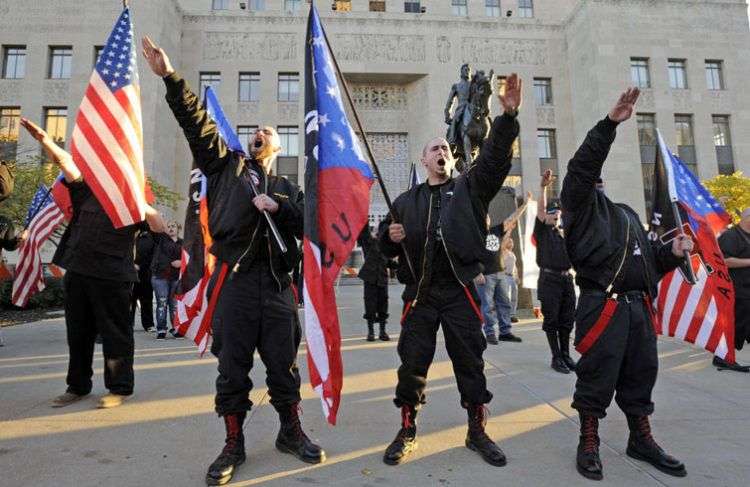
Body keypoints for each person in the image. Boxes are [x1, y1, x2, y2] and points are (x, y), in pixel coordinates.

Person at [142, 36, 325, 486]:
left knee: (284, 365)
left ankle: (290, 431)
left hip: (278, 285)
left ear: (279, 147)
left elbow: (308, 224)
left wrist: (279, 207)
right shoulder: (226, 165)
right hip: (236, 283)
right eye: (255, 131)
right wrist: (170, 77)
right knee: (232, 369)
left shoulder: (287, 188)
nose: (260, 134)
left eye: (268, 133)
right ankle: (233, 443)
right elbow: (196, 123)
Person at [378, 73, 522, 467]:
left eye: (445, 147)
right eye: (434, 148)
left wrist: (507, 118)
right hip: (421, 296)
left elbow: (493, 161)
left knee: (470, 364)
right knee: (412, 366)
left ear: (452, 158)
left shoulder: (469, 188)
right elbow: (380, 249)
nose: (441, 151)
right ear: (424, 160)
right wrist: (389, 238)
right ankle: (407, 429)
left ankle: (477, 430)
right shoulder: (405, 201)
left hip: (459, 290)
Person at [560, 88, 693, 481]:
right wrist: (610, 124)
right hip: (603, 309)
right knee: (596, 379)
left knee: (640, 377)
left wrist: (672, 254)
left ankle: (641, 438)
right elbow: (583, 167)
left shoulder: (626, 214)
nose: (596, 179)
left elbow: (649, 264)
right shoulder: (579, 208)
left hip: (638, 311)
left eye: (600, 177)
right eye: (591, 176)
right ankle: (589, 441)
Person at [19, 117, 165, 410]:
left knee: (116, 335)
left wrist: (142, 203)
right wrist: (46, 140)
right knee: (78, 334)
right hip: (78, 270)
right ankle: (77, 386)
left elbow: (159, 226)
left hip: (112, 275)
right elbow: (66, 164)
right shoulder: (86, 189)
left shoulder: (133, 198)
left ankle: (119, 388)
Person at [534, 169, 577, 374]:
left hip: (567, 279)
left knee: (567, 319)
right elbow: (540, 212)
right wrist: (543, 187)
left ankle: (566, 354)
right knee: (551, 320)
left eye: (557, 212)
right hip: (549, 279)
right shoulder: (543, 231)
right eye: (552, 212)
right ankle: (556, 356)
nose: (555, 214)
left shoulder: (567, 234)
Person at [478, 200, 528, 345]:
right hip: (485, 275)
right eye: (482, 217)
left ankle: (505, 332)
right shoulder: (475, 235)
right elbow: (469, 255)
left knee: (504, 303)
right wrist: (476, 273)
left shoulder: (495, 230)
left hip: (501, 273)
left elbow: (512, 219)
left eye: (487, 217)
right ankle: (490, 333)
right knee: (487, 306)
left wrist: (524, 206)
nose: (486, 219)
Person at [717, 207, 750, 372]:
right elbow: (724, 260)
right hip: (737, 290)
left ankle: (724, 356)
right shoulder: (730, 236)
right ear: (746, 218)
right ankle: (723, 357)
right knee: (736, 326)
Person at [357, 225, 397, 342]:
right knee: (370, 306)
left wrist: (401, 265)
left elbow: (388, 262)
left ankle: (382, 331)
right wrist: (363, 215)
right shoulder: (369, 243)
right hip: (370, 279)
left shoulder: (386, 248)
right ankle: (370, 332)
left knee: (383, 306)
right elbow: (364, 232)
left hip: (382, 280)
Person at [150, 220, 183, 339]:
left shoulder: (182, 243)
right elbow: (155, 229)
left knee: (174, 304)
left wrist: (181, 263)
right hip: (160, 276)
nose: (170, 228)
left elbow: (188, 258)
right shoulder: (161, 240)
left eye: (173, 226)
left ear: (178, 228)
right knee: (162, 302)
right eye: (168, 227)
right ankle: (161, 329)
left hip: (175, 277)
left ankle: (175, 328)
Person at [131, 226, 156, 332]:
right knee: (129, 299)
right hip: (129, 272)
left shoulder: (149, 236)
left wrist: (141, 265)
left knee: (146, 298)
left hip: (145, 272)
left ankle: (148, 324)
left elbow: (151, 254)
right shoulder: (129, 235)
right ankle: (128, 323)